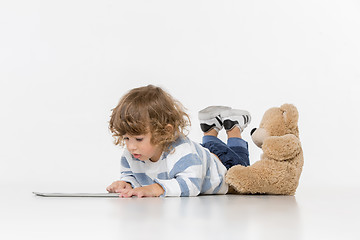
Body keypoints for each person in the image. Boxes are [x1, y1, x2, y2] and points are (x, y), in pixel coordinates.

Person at [106, 85, 251, 197]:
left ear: (164, 132)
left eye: (138, 139)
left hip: (224, 167)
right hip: (201, 158)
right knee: (206, 150)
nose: (131, 146)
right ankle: (210, 128)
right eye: (126, 138)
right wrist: (127, 183)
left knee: (244, 177)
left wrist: (158, 188)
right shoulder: (133, 154)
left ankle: (234, 127)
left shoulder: (182, 152)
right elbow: (132, 175)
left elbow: (192, 184)